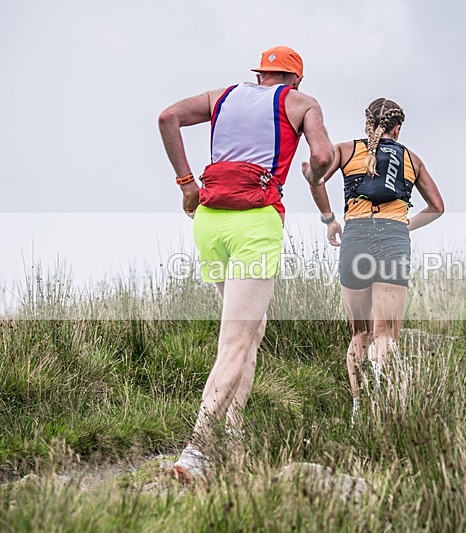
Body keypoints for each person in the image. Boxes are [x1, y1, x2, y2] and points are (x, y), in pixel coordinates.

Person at [158, 46, 334, 482]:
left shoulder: (222, 95)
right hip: (255, 222)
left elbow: (167, 117)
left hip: (209, 221)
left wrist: (187, 184)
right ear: (295, 79)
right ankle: (197, 451)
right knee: (235, 341)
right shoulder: (301, 103)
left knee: (253, 329)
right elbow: (322, 156)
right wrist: (314, 176)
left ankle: (234, 430)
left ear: (259, 76)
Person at [308, 98, 444, 419]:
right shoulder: (411, 159)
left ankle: (359, 408)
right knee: (385, 334)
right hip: (393, 239)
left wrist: (330, 220)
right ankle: (381, 400)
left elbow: (315, 179)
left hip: (355, 237)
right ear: (398, 129)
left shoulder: (345, 150)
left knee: (360, 333)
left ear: (367, 123)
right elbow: (437, 207)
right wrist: (406, 226)